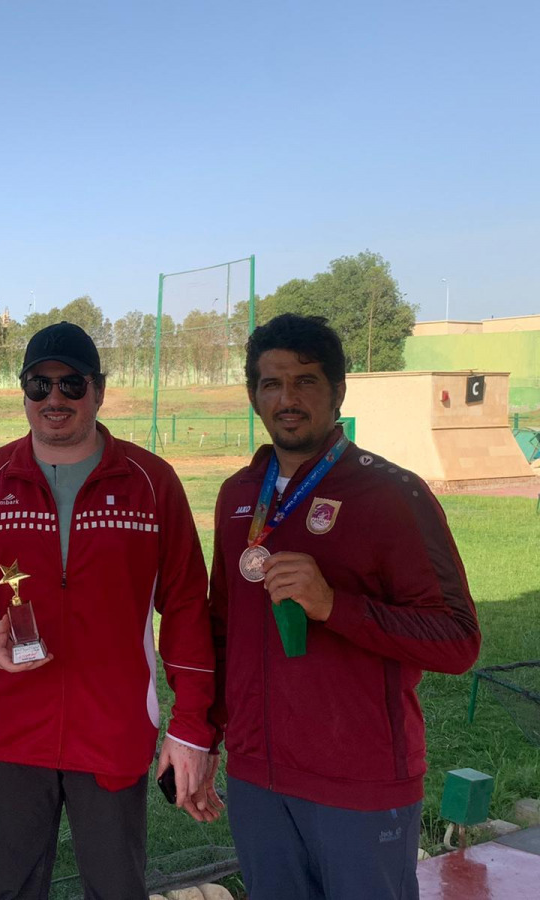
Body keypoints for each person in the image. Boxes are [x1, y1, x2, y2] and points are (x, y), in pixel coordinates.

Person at [204, 313, 481, 900]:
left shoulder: (391, 494)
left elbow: (457, 640)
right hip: (257, 782)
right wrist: (207, 740)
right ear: (254, 394)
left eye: (305, 381)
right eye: (271, 383)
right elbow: (222, 631)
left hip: (359, 786)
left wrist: (335, 606)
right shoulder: (235, 498)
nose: (287, 399)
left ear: (338, 392)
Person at [0, 322, 218, 900]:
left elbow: (190, 606)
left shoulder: (151, 483)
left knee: (117, 889)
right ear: (23, 392)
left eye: (72, 384)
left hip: (113, 728)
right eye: (38, 385)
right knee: (10, 889)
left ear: (99, 389)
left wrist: (192, 725)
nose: (55, 400)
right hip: (11, 727)